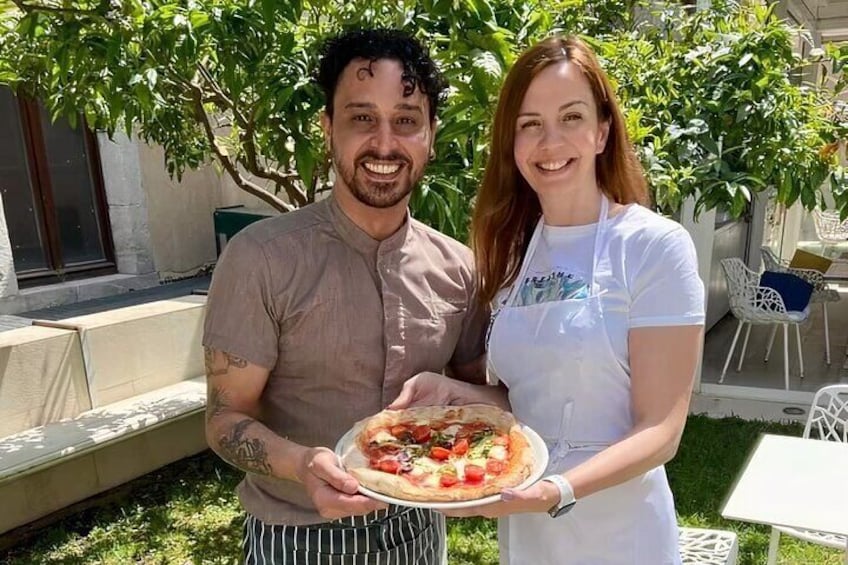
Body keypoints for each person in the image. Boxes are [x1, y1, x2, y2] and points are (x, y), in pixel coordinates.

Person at [390, 35, 705, 564]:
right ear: (512, 142)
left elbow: (660, 431)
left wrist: (555, 491)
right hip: (529, 533)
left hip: (621, 536)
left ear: (602, 131)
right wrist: (449, 393)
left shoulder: (653, 246)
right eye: (530, 124)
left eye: (571, 117)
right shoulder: (514, 255)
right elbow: (534, 404)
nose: (550, 142)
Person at [202, 28, 488, 564]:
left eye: (406, 120)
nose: (384, 144)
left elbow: (472, 394)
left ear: (431, 134)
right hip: (296, 537)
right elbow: (224, 419)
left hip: (420, 532)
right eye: (362, 118)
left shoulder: (460, 268)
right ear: (328, 128)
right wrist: (300, 465)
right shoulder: (260, 259)